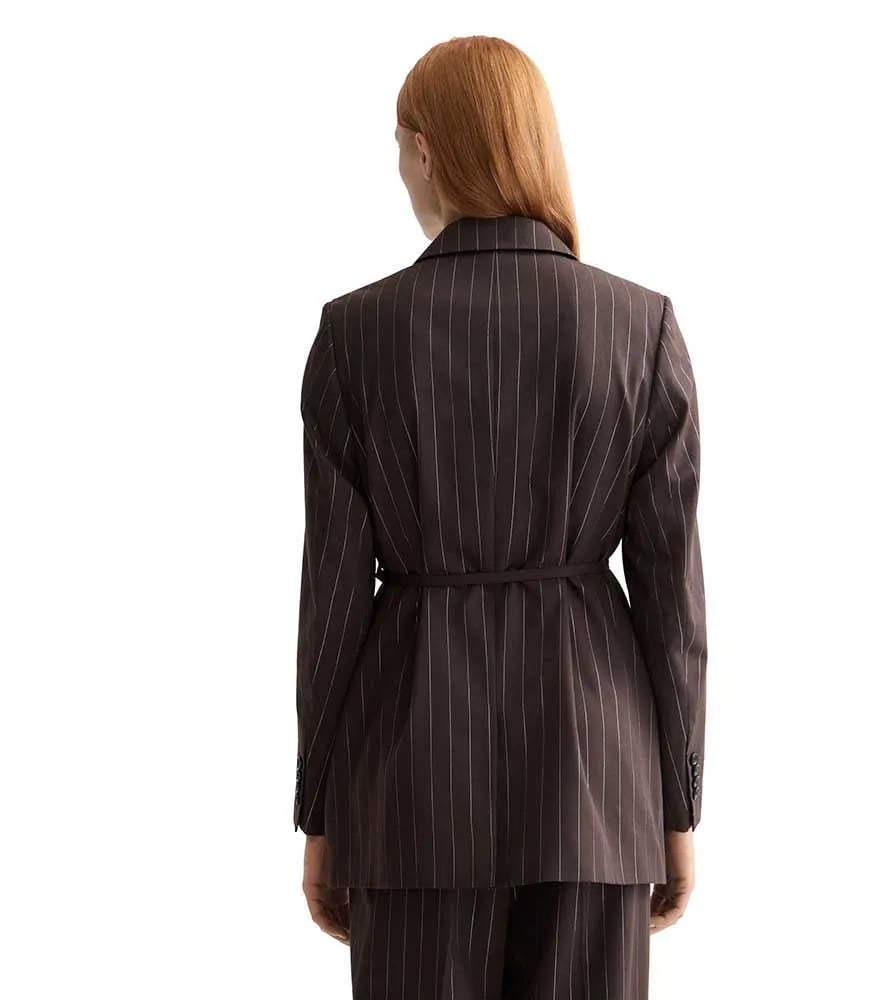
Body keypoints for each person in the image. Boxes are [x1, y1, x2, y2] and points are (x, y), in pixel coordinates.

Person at [293, 34, 708, 1000]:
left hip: (407, 782)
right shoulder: (638, 327)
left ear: (425, 149)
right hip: (596, 784)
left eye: (398, 148)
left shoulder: (354, 335)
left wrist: (319, 812)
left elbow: (332, 602)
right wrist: (678, 805)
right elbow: (673, 602)